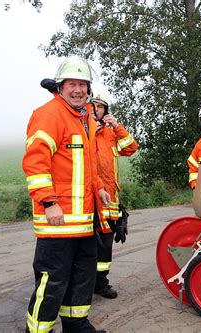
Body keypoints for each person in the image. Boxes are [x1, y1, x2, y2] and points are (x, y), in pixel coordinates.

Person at [22, 56, 110, 333]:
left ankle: (76, 325)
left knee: (82, 278)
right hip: (58, 224)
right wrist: (48, 202)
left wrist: (99, 188)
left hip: (83, 223)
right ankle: (38, 330)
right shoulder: (49, 114)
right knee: (53, 283)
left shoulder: (83, 118)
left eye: (83, 85)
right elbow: (35, 163)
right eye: (72, 84)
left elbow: (86, 166)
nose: (78, 90)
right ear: (60, 87)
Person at [91, 83, 138, 299]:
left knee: (106, 246)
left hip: (110, 200)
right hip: (90, 200)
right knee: (88, 246)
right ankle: (85, 285)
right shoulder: (83, 131)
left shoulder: (111, 134)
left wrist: (117, 126)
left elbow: (131, 147)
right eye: (93, 105)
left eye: (100, 106)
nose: (96, 109)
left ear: (105, 110)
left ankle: (101, 283)